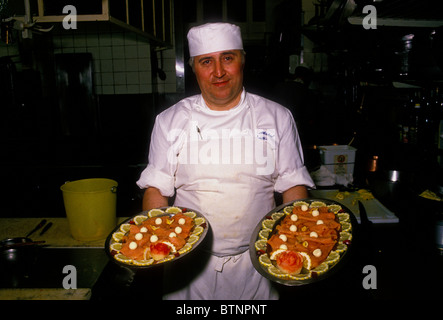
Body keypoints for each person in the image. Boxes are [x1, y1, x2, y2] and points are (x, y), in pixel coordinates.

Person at [136, 22, 315, 300]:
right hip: (188, 268)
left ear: (242, 60)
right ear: (195, 67)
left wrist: (295, 247)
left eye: (227, 58)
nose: (218, 72)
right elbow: (157, 190)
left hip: (259, 263)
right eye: (207, 61)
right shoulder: (171, 121)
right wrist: (157, 246)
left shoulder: (277, 117)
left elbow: (293, 186)